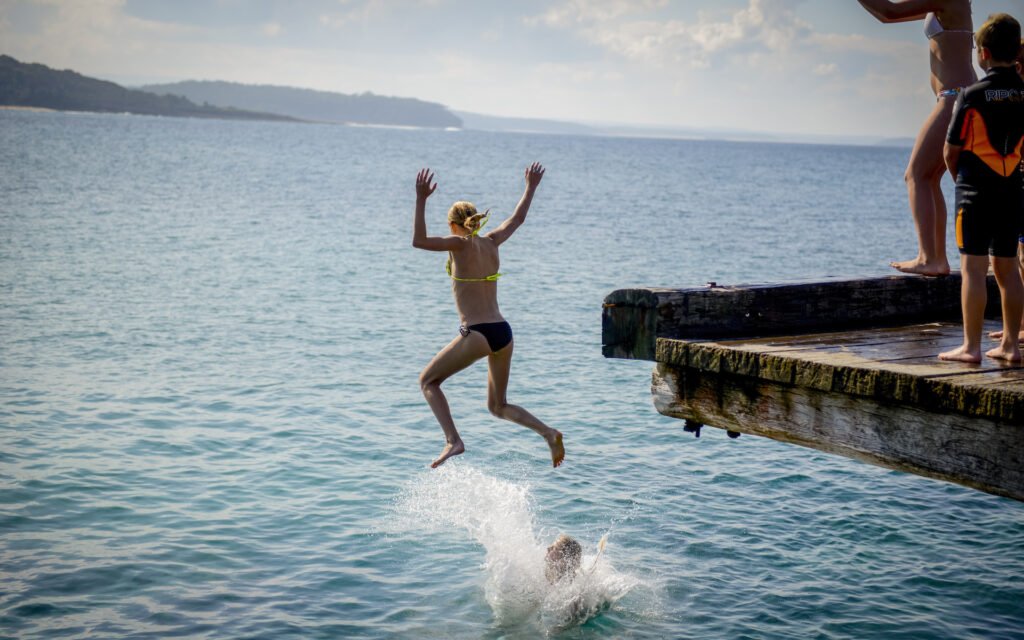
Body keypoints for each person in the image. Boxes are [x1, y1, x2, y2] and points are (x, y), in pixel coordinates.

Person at [412, 163, 565, 468]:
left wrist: (420, 199)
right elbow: (517, 219)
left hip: (478, 332)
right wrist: (531, 187)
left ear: (453, 225)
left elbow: (419, 241)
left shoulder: (457, 244)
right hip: (503, 333)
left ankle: (453, 440)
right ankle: (548, 433)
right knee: (498, 406)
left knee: (428, 381)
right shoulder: (492, 241)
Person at [858, 0, 977, 276]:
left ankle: (928, 257)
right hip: (957, 97)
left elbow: (889, 13)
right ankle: (937, 259)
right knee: (929, 178)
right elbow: (890, 14)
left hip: (953, 98)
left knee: (915, 175)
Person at [939, 13, 1024, 363]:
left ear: (983, 53)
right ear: (1017, 51)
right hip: (1012, 191)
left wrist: (962, 180)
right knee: (1008, 269)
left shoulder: (971, 95)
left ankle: (971, 347)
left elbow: (950, 151)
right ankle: (1011, 346)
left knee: (973, 270)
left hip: (974, 193)